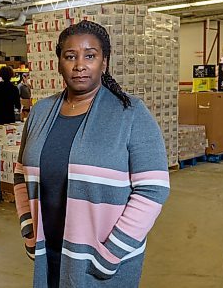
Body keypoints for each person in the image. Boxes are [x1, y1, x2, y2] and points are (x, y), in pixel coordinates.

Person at [13, 20, 170, 288]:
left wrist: (110, 254)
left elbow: (153, 190)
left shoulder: (130, 113)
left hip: (103, 260)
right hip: (49, 250)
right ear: (59, 62)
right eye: (70, 56)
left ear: (104, 62)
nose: (80, 65)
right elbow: (21, 176)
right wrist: (29, 232)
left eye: (90, 56)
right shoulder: (40, 112)